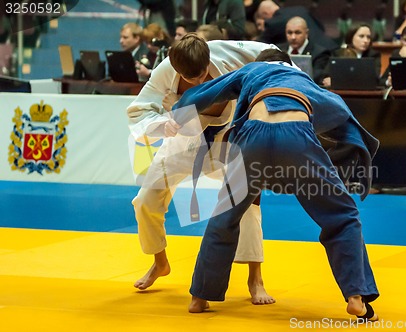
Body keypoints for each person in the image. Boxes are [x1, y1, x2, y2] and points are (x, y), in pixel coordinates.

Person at [167, 49, 380, 319]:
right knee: (342, 216)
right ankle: (356, 297)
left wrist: (177, 113)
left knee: (225, 215)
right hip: (297, 138)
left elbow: (207, 91)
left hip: (252, 138)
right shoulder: (306, 82)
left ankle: (199, 296)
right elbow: (344, 118)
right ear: (290, 65)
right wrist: (356, 156)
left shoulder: (251, 71)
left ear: (261, 63)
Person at [126, 33, 280, 305]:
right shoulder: (164, 71)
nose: (198, 83)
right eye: (190, 78)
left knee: (248, 201)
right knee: (145, 201)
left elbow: (272, 52)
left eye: (202, 75)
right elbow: (138, 110)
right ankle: (160, 263)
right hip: (185, 139)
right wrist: (162, 125)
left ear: (209, 59)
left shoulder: (230, 52)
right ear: (175, 68)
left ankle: (256, 278)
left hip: (229, 136)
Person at [255, 0, 338, 52]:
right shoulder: (301, 9)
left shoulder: (272, 22)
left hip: (314, 55)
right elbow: (321, 27)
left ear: (265, 13)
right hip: (331, 47)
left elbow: (260, 46)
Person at [278, 16, 330, 85]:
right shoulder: (278, 50)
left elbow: (316, 78)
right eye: (289, 33)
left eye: (297, 33)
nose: (293, 37)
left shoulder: (320, 53)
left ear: (306, 33)